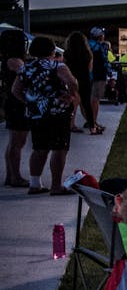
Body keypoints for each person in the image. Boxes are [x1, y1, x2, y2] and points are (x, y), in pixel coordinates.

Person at [11, 35, 80, 195]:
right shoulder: (57, 66)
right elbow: (71, 82)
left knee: (39, 148)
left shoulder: (25, 68)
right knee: (59, 148)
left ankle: (35, 184)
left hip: (37, 114)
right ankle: (56, 186)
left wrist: (30, 102)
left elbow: (15, 90)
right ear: (52, 50)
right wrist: (71, 95)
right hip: (58, 112)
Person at [2, 28, 30, 188]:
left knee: (14, 142)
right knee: (17, 141)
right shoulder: (14, 61)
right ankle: (15, 176)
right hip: (17, 102)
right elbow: (26, 74)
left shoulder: (8, 59)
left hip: (13, 102)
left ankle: (10, 175)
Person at [64, 32, 95, 133]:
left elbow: (65, 67)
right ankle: (92, 127)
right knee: (87, 104)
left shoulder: (67, 53)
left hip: (72, 79)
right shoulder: (88, 54)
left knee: (72, 103)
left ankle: (70, 125)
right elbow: (90, 69)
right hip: (85, 80)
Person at [86, 26, 111, 131]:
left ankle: (90, 121)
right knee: (95, 100)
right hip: (99, 75)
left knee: (89, 99)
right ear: (99, 36)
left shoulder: (87, 45)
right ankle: (94, 123)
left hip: (88, 75)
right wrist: (110, 74)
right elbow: (105, 61)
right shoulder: (102, 46)